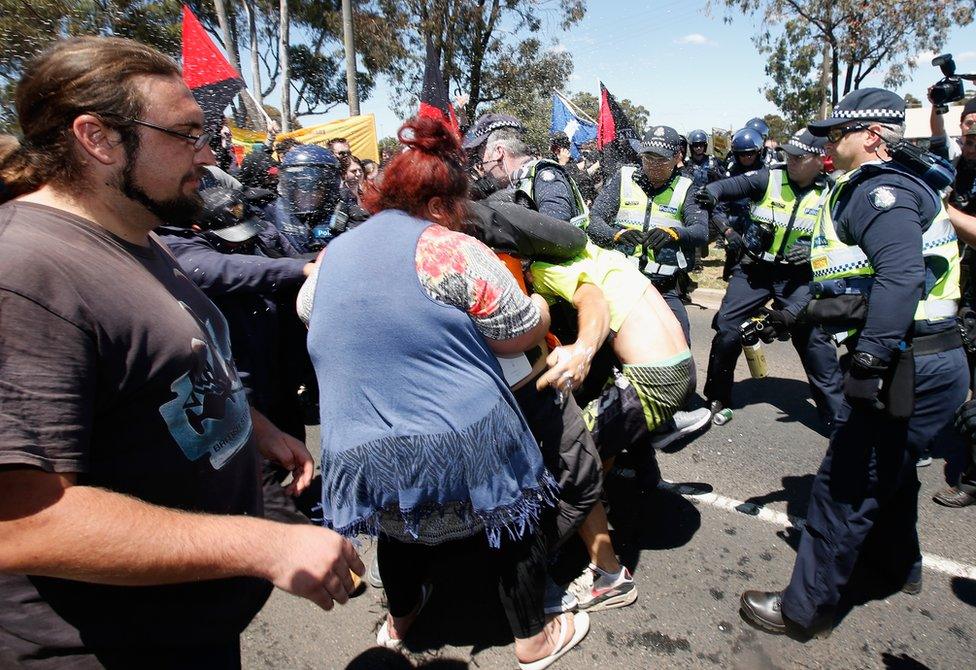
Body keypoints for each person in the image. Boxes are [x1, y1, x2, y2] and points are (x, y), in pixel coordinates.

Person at [0, 36, 363, 668]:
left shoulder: (141, 237)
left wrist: (253, 426)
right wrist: (260, 545)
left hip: (191, 623)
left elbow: (165, 366)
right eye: (187, 134)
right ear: (98, 139)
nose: (207, 153)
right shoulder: (26, 274)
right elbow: (24, 520)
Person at [298, 116, 589, 668]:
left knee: (399, 526)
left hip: (362, 452)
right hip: (461, 447)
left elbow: (307, 311)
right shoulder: (450, 249)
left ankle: (399, 622)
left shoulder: (335, 252)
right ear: (439, 205)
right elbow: (516, 338)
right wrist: (546, 310)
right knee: (513, 515)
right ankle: (533, 641)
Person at [740, 88, 968, 637]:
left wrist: (868, 359)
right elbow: (856, 282)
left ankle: (802, 609)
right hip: (928, 358)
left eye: (836, 133)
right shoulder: (885, 186)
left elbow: (901, 276)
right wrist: (797, 315)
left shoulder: (879, 191)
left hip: (908, 361)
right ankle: (897, 565)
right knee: (891, 471)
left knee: (843, 484)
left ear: (870, 136)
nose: (826, 143)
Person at [158, 187, 322, 525]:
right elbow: (224, 269)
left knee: (291, 455)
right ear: (199, 230)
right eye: (231, 238)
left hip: (278, 380)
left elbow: (278, 257)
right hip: (236, 390)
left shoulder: (256, 240)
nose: (240, 242)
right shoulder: (177, 248)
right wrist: (303, 269)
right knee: (254, 481)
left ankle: (292, 509)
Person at [696, 130, 844, 427]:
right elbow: (727, 186)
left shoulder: (833, 193)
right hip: (755, 270)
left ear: (820, 159)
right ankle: (718, 398)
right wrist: (711, 194)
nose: (791, 161)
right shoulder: (769, 177)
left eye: (799, 157)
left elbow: (845, 244)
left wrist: (815, 250)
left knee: (813, 339)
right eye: (788, 154)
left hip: (799, 276)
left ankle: (836, 416)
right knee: (727, 330)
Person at [585, 125, 709, 346]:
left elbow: (701, 231)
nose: (653, 165)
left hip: (664, 287)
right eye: (648, 157)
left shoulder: (687, 187)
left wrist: (674, 233)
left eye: (661, 159)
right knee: (601, 349)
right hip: (620, 283)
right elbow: (594, 221)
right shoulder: (623, 178)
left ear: (677, 157)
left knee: (681, 352)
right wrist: (616, 235)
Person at [465, 113, 590, 228]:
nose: (483, 166)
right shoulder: (517, 181)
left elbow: (554, 232)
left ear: (499, 152)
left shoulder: (544, 175)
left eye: (481, 156)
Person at [551, 131, 597, 204]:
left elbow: (577, 168)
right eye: (564, 146)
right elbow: (574, 178)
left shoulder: (570, 161)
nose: (568, 149)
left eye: (567, 145)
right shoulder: (552, 166)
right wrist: (562, 163)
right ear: (556, 150)